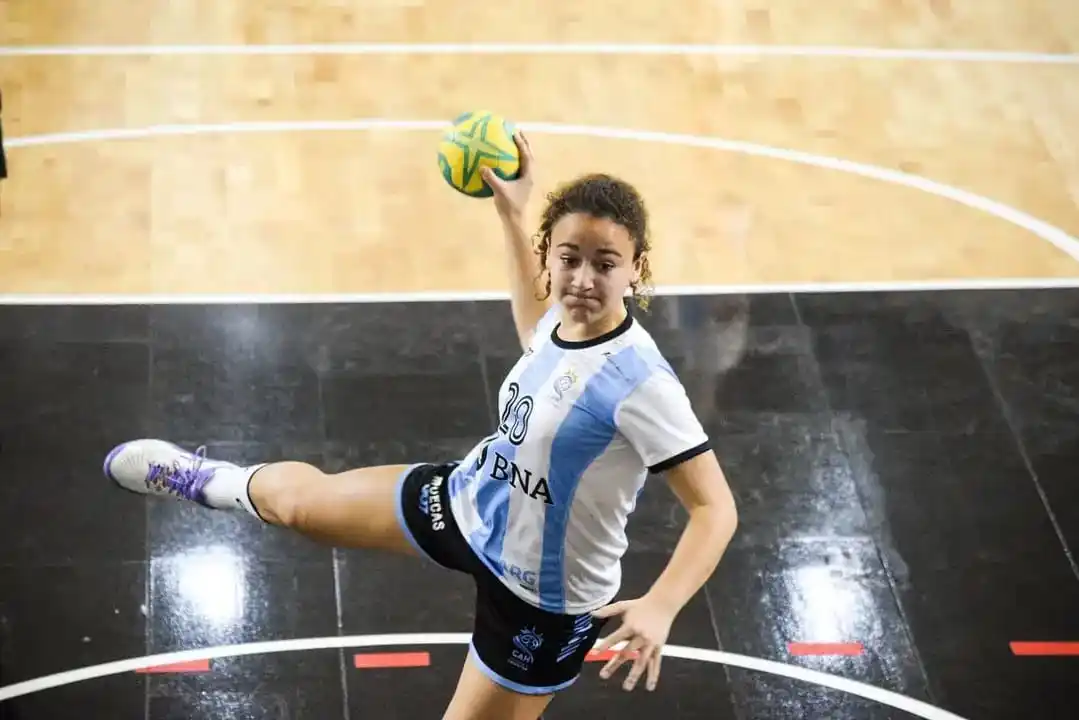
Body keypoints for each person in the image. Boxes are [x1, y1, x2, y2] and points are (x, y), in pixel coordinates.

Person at [103, 131, 739, 720]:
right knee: (300, 506)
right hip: (472, 502)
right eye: (568, 258)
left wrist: (660, 604)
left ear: (637, 268)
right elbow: (534, 328)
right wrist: (511, 214)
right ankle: (201, 478)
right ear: (551, 253)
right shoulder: (562, 322)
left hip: (541, 601)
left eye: (605, 263)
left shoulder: (643, 384)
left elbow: (715, 508)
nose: (581, 279)